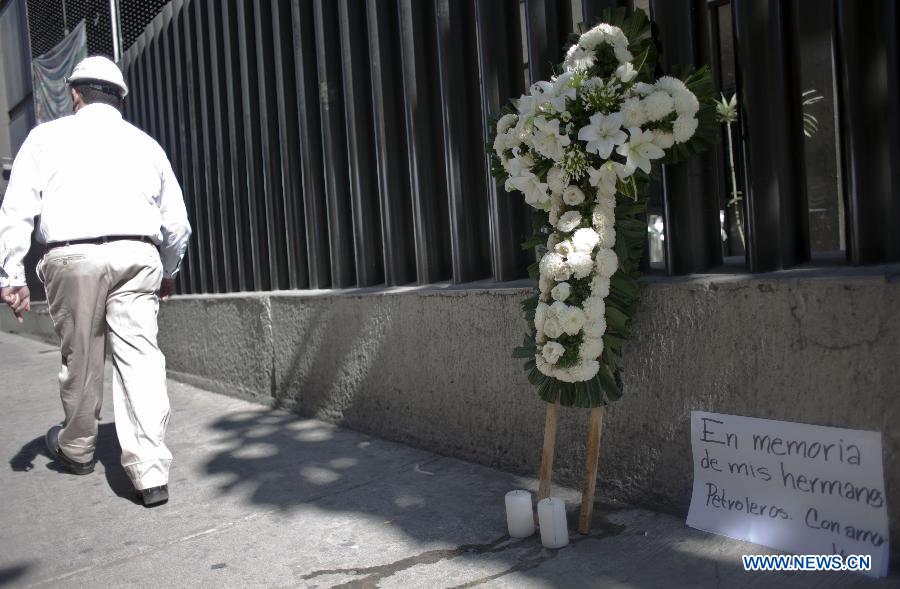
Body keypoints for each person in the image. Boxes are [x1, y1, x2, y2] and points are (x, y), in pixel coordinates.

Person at [0, 56, 191, 506]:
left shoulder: (44, 138)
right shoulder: (146, 145)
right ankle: (149, 473)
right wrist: (168, 270)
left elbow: (16, 210)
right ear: (120, 99)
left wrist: (11, 273)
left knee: (81, 357)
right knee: (141, 358)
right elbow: (177, 225)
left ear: (75, 94)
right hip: (136, 253)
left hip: (72, 256)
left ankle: (78, 448)